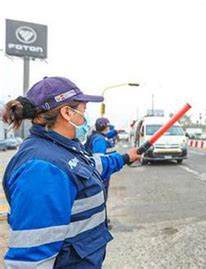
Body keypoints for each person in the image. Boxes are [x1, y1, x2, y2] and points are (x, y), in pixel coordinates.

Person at [2, 76, 141, 268]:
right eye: (83, 112)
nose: (85, 119)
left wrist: (125, 158)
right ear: (67, 112)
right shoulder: (42, 168)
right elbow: (30, 262)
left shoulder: (62, 149)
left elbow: (92, 166)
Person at [84, 118, 119, 227]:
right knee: (102, 197)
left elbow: (108, 135)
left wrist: (117, 131)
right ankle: (102, 222)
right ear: (105, 127)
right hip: (101, 174)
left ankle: (103, 219)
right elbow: (99, 162)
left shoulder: (99, 136)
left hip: (99, 174)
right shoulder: (99, 140)